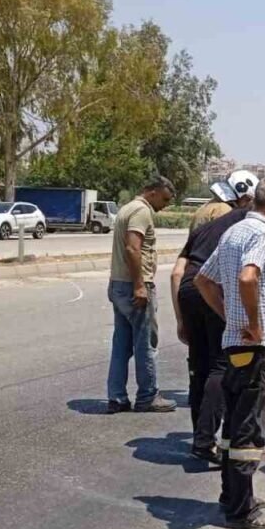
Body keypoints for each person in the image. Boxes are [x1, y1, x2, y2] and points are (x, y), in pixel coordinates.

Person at [194, 176, 265, 529]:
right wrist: (253, 323)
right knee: (248, 429)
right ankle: (241, 511)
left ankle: (233, 495)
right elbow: (249, 277)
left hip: (234, 342)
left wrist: (229, 316)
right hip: (253, 345)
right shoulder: (263, 232)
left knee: (233, 425)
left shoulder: (233, 231)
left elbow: (203, 280)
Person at [170, 170, 258, 461]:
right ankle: (206, 439)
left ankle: (201, 437)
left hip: (188, 291)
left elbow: (177, 273)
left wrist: (181, 319)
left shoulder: (203, 227)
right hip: (210, 288)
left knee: (199, 367)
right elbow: (245, 272)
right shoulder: (247, 223)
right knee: (221, 366)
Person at [106, 175, 178, 414]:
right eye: (164, 200)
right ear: (152, 192)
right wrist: (139, 285)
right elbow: (132, 247)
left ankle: (117, 397)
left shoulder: (127, 208)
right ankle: (148, 396)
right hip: (134, 286)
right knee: (146, 343)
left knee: (121, 345)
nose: (164, 206)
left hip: (119, 284)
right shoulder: (141, 211)